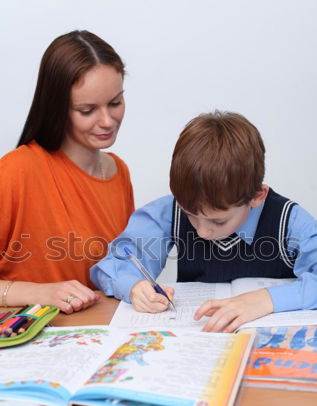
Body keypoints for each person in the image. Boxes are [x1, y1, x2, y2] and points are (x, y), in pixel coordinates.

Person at [91, 111, 317, 332]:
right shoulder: (168, 212)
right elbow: (113, 266)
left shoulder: (291, 222)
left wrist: (264, 300)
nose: (202, 232)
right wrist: (134, 286)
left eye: (218, 222)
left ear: (257, 197)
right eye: (190, 215)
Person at [0, 30, 134, 313]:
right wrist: (43, 292)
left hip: (97, 338)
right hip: (33, 341)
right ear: (57, 108)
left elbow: (116, 271)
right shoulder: (16, 172)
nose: (107, 121)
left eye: (115, 103)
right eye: (87, 110)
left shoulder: (118, 172)